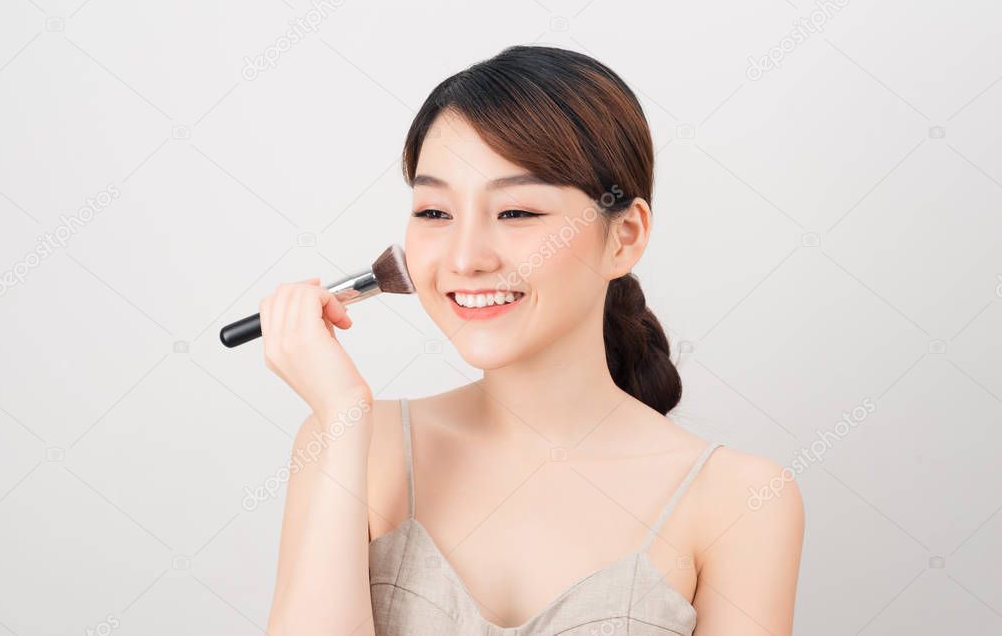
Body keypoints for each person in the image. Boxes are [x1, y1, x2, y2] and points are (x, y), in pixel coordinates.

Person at [262, 45, 804, 635]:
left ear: (624, 236)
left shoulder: (741, 499)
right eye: (435, 212)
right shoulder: (356, 443)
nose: (466, 258)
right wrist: (341, 414)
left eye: (516, 212)